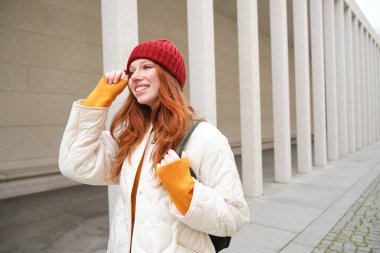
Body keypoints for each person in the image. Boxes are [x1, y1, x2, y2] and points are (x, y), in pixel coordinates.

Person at [59, 39, 249, 253]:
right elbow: (75, 164)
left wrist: (185, 190)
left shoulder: (206, 137)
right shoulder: (130, 135)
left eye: (147, 67)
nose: (135, 76)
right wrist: (98, 100)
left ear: (169, 76)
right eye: (131, 71)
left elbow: (235, 217)